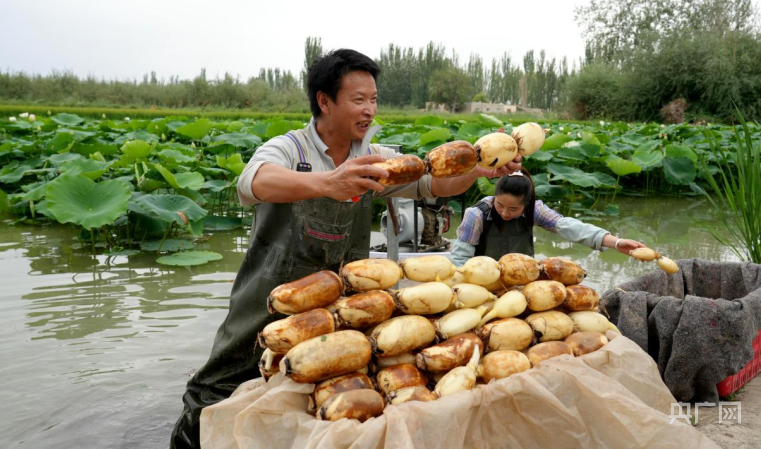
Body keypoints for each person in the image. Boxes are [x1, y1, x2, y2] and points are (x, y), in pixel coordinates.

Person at [170, 49, 522, 449]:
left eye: (373, 99)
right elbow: (252, 182)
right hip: (269, 299)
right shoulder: (290, 148)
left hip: (338, 309)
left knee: (316, 406)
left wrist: (476, 171)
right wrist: (327, 183)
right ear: (324, 101)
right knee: (218, 390)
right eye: (358, 100)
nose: (370, 110)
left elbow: (434, 185)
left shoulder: (375, 159)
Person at [450, 169, 645, 265]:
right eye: (500, 205)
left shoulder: (534, 210)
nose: (504, 213)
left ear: (526, 204)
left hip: (522, 281)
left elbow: (571, 228)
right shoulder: (476, 215)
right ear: (495, 196)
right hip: (484, 283)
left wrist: (617, 242)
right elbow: (460, 258)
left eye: (513, 209)